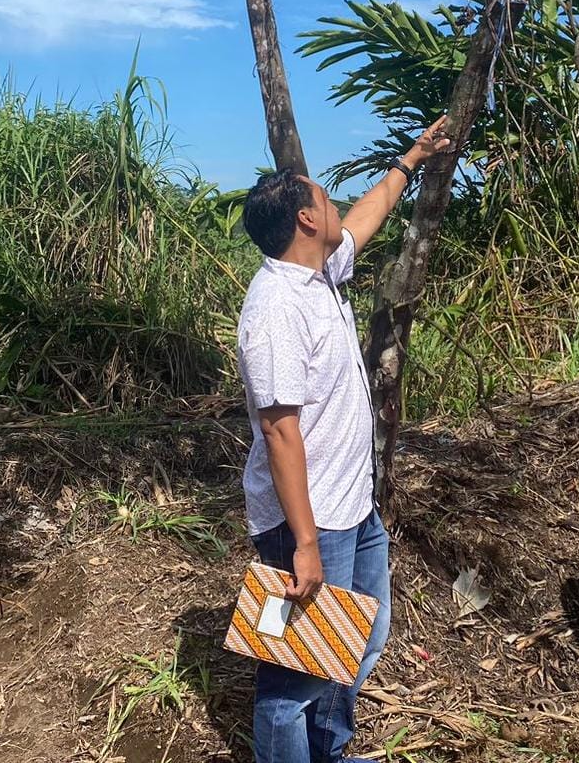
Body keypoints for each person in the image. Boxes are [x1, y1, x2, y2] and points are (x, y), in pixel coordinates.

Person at [236, 118, 450, 763]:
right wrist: (303, 543)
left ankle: (331, 749)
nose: (335, 206)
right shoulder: (275, 307)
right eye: (324, 200)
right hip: (304, 522)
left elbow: (366, 215)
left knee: (359, 637)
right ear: (305, 220)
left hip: (352, 509)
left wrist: (413, 158)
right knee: (290, 677)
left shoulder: (322, 273)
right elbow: (279, 431)